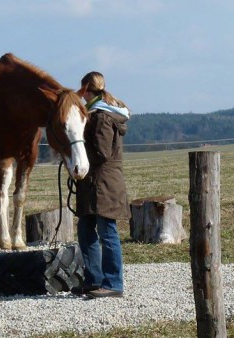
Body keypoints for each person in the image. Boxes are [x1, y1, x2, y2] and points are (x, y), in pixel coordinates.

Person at [71, 71, 130, 298]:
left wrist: (77, 150)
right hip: (94, 183)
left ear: (86, 88)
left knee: (107, 231)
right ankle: (94, 279)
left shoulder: (102, 117)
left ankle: (113, 283)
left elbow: (102, 153)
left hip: (104, 182)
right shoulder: (97, 113)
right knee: (86, 229)